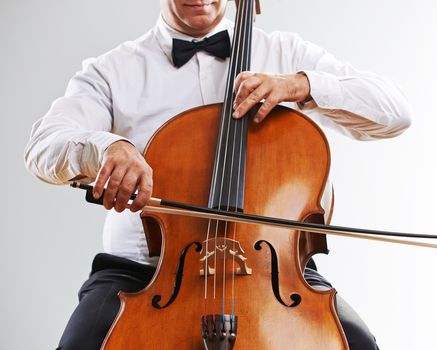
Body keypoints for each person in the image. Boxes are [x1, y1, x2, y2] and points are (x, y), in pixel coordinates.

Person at [25, 0, 412, 349]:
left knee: (358, 344)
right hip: (142, 274)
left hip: (272, 271)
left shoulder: (283, 52)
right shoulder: (112, 70)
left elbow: (395, 113)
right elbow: (43, 146)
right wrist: (106, 147)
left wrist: (303, 84)